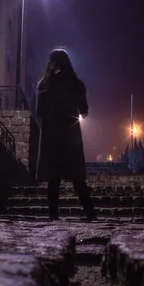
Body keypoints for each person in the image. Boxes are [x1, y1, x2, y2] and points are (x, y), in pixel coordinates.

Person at [36, 49, 96, 221]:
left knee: (53, 179)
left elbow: (40, 112)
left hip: (51, 135)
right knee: (77, 177)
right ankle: (90, 212)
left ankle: (53, 216)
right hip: (70, 135)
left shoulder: (44, 85)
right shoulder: (75, 84)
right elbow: (84, 111)